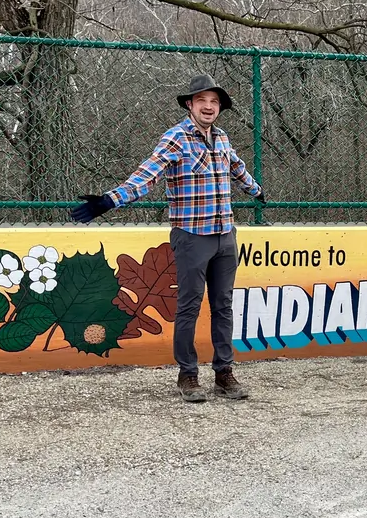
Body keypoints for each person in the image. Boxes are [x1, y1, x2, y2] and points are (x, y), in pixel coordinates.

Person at [70, 74, 266, 403]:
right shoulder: (175, 138)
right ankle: (188, 375)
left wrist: (256, 190)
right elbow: (147, 175)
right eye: (201, 100)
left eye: (214, 101)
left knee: (224, 306)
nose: (208, 106)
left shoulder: (222, 138)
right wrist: (109, 200)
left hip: (225, 235)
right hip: (191, 236)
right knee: (188, 306)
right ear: (190, 104)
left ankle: (224, 373)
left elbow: (237, 167)